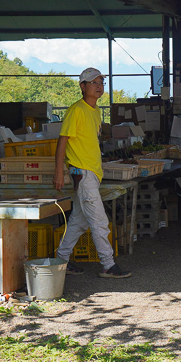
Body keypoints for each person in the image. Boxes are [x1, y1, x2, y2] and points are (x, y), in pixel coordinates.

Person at [53, 68, 132, 278]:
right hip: (82, 173)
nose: (99, 86)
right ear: (82, 86)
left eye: (101, 82)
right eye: (93, 82)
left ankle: (61, 260)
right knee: (99, 221)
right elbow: (63, 141)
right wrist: (59, 171)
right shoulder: (76, 110)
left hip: (91, 174)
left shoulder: (95, 111)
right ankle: (108, 264)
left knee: (79, 221)